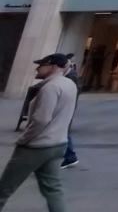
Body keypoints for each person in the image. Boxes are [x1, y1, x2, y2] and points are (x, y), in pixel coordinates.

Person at [0, 53, 78, 211]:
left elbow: (41, 120)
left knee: (4, 188)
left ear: (53, 66)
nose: (37, 68)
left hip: (37, 146)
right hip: (58, 143)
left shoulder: (50, 87)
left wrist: (24, 139)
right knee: (53, 189)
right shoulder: (69, 84)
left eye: (42, 65)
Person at [61, 54, 81, 169]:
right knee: (62, 131)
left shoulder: (71, 76)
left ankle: (70, 156)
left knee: (63, 131)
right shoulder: (69, 75)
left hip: (65, 107)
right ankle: (69, 156)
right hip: (66, 107)